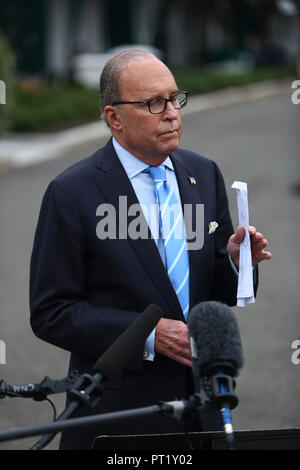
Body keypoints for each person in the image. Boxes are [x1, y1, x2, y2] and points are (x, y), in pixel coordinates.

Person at [29, 49, 271, 450]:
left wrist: (234, 260)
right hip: (117, 417)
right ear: (114, 117)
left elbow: (219, 293)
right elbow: (51, 311)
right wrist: (148, 335)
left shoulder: (203, 173)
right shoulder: (71, 193)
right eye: (153, 103)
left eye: (175, 98)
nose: (172, 112)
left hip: (199, 411)